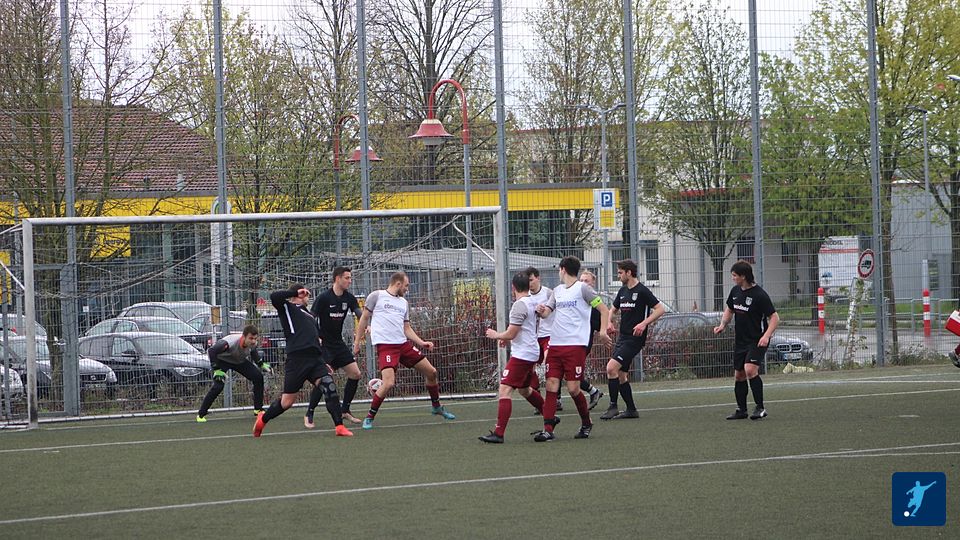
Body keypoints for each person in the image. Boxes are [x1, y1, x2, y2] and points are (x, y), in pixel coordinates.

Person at [352, 271, 455, 429]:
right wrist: (357, 342)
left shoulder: (403, 303)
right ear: (398, 283)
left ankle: (436, 407)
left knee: (432, 372)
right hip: (386, 347)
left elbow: (406, 328)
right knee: (388, 383)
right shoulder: (376, 296)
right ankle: (370, 417)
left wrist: (421, 342)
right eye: (406, 285)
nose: (407, 289)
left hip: (403, 345)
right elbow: (364, 319)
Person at [253, 284, 353, 437]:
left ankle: (339, 426)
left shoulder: (310, 315)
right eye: (306, 294)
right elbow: (274, 297)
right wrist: (294, 292)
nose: (308, 297)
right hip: (297, 359)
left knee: (329, 387)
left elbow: (316, 340)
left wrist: (323, 360)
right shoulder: (287, 307)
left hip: (315, 360)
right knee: (286, 402)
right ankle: (263, 419)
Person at [533, 256, 611, 441]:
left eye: (559, 270)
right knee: (551, 384)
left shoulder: (583, 289)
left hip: (575, 345)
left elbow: (604, 309)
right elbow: (547, 313)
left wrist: (602, 331)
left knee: (573, 388)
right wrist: (541, 310)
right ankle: (548, 429)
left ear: (563, 269)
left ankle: (586, 422)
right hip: (556, 345)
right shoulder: (557, 291)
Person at [478, 273, 549, 443]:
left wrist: (496, 335)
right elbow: (523, 329)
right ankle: (550, 417)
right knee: (525, 390)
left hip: (523, 354)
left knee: (504, 389)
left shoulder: (519, 305)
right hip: (530, 351)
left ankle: (498, 433)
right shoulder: (532, 302)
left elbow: (512, 333)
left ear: (513, 287)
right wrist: (507, 337)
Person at [713, 260, 779, 421]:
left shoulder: (759, 295)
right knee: (739, 375)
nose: (733, 278)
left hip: (757, 340)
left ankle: (760, 408)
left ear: (743, 276)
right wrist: (722, 325)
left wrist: (766, 336)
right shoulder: (735, 291)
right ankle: (741, 410)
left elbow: (775, 317)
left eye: (735, 275)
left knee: (750, 370)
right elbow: (730, 309)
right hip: (741, 341)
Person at [599, 260, 665, 420]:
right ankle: (631, 410)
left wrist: (643, 324)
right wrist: (609, 322)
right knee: (621, 374)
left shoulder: (642, 291)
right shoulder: (622, 291)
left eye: (620, 272)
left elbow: (660, 309)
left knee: (611, 368)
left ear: (629, 273)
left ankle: (613, 407)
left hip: (634, 339)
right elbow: (612, 309)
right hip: (623, 337)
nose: (618, 276)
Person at [304, 266, 364, 428]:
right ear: (337, 279)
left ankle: (345, 410)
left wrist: (367, 325)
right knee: (324, 378)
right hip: (325, 345)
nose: (350, 281)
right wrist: (316, 336)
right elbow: (311, 318)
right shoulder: (324, 298)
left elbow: (360, 314)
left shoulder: (349, 298)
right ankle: (309, 413)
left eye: (350, 278)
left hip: (338, 344)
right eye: (347, 278)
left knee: (355, 374)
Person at [197, 325, 271, 422]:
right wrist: (216, 369)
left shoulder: (253, 343)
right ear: (243, 337)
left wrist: (260, 364)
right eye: (251, 338)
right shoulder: (229, 343)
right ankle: (201, 414)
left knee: (258, 377)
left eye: (255, 338)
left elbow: (253, 352)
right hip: (222, 361)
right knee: (218, 386)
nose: (253, 341)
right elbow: (212, 351)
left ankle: (258, 410)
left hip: (238, 361)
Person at [524, 266, 561, 412]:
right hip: (533, 337)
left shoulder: (548, 293)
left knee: (549, 363)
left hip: (549, 335)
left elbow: (557, 310)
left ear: (538, 278)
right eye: (527, 281)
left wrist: (544, 310)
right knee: (529, 365)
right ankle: (537, 398)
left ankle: (556, 398)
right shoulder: (525, 297)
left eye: (531, 280)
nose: (529, 284)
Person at [577, 271, 606, 410]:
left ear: (593, 283)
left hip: (583, 343)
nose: (583, 283)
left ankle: (593, 392)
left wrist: (605, 329)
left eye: (586, 281)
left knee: (572, 375)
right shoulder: (575, 297)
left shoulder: (594, 301)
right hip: (570, 341)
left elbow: (600, 320)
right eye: (581, 280)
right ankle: (593, 392)